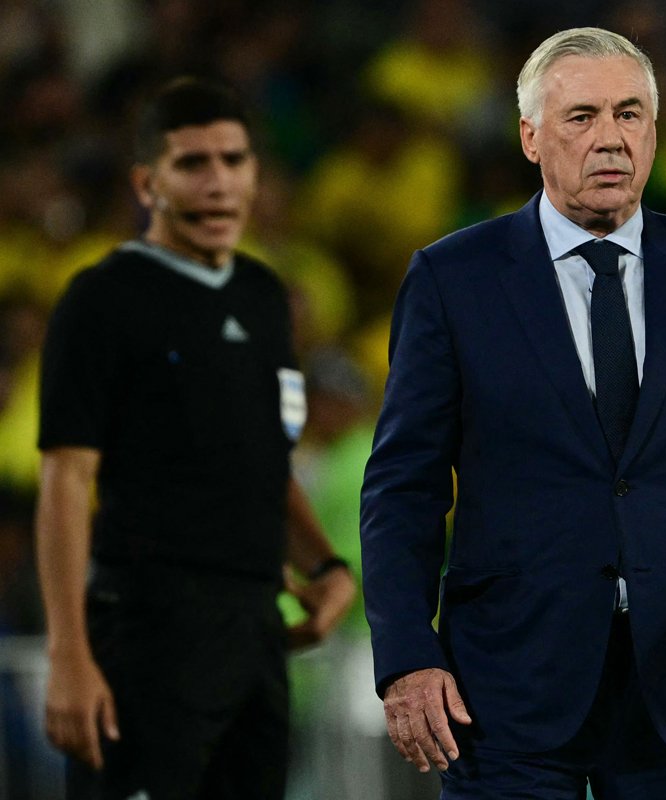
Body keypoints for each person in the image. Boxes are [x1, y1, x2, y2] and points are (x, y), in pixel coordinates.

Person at [360, 28, 666, 798]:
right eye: (582, 117)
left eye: (629, 114)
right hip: (506, 695)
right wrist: (406, 655)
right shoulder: (453, 279)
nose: (611, 138)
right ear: (530, 137)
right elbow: (404, 487)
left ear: (654, 131)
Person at [35, 77, 355, 800]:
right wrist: (68, 655)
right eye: (192, 163)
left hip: (257, 635)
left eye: (233, 160)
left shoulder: (265, 297)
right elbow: (65, 477)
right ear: (146, 183)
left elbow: (265, 463)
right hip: (147, 631)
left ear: (255, 175)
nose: (217, 183)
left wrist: (325, 565)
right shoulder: (103, 298)